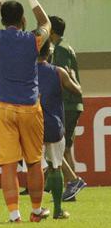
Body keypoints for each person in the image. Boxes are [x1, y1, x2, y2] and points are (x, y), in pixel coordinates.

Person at [0, 0, 50, 223]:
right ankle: (36, 210)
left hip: (2, 109)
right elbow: (46, 23)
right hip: (30, 108)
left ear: (3, 20)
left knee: (8, 165)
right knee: (33, 162)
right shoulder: (33, 40)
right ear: (22, 20)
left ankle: (14, 214)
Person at [38, 40, 82, 220]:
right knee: (55, 166)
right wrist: (72, 76)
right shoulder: (58, 71)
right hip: (52, 124)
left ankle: (36, 209)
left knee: (35, 167)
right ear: (49, 51)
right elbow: (77, 91)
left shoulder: (23, 72)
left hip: (31, 124)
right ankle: (57, 210)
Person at [48, 16, 86, 200]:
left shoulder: (60, 50)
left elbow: (62, 77)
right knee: (65, 148)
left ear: (52, 31)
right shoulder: (63, 47)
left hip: (68, 103)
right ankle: (71, 187)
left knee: (60, 147)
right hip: (70, 103)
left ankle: (73, 182)